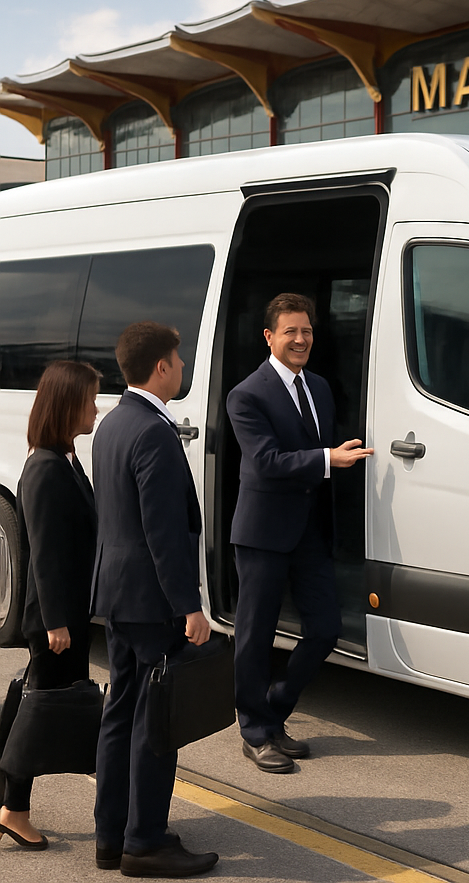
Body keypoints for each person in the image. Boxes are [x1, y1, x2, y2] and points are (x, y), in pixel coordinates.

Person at [90, 322, 217, 877]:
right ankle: (145, 842)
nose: (183, 368)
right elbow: (162, 532)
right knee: (157, 721)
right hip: (151, 600)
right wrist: (188, 604)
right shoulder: (154, 433)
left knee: (120, 714)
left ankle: (111, 835)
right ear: (160, 367)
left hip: (117, 594)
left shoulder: (112, 424)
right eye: (179, 360)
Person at [227, 293, 372, 773]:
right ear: (269, 336)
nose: (300, 339)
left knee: (327, 628)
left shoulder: (322, 388)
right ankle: (254, 732)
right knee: (254, 637)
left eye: (306, 331)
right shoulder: (246, 394)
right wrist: (331, 458)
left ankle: (274, 708)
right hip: (264, 532)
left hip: (309, 531)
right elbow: (267, 462)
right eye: (290, 331)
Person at [0, 361, 101, 851]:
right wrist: (57, 621)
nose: (96, 408)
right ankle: (14, 808)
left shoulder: (64, 459)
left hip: (67, 614)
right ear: (66, 406)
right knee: (39, 711)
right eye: (89, 400)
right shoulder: (44, 468)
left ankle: (8, 799)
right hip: (54, 620)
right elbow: (42, 552)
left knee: (33, 705)